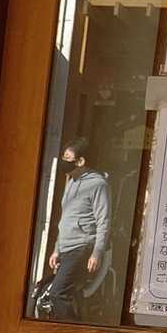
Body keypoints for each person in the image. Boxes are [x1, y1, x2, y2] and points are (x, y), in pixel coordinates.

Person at [48, 136, 111, 322]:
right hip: (66, 247)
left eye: (67, 158)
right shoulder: (72, 181)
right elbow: (66, 219)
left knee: (57, 293)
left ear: (80, 161)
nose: (63, 161)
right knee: (68, 294)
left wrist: (97, 253)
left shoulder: (98, 184)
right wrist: (57, 249)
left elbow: (104, 221)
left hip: (82, 246)